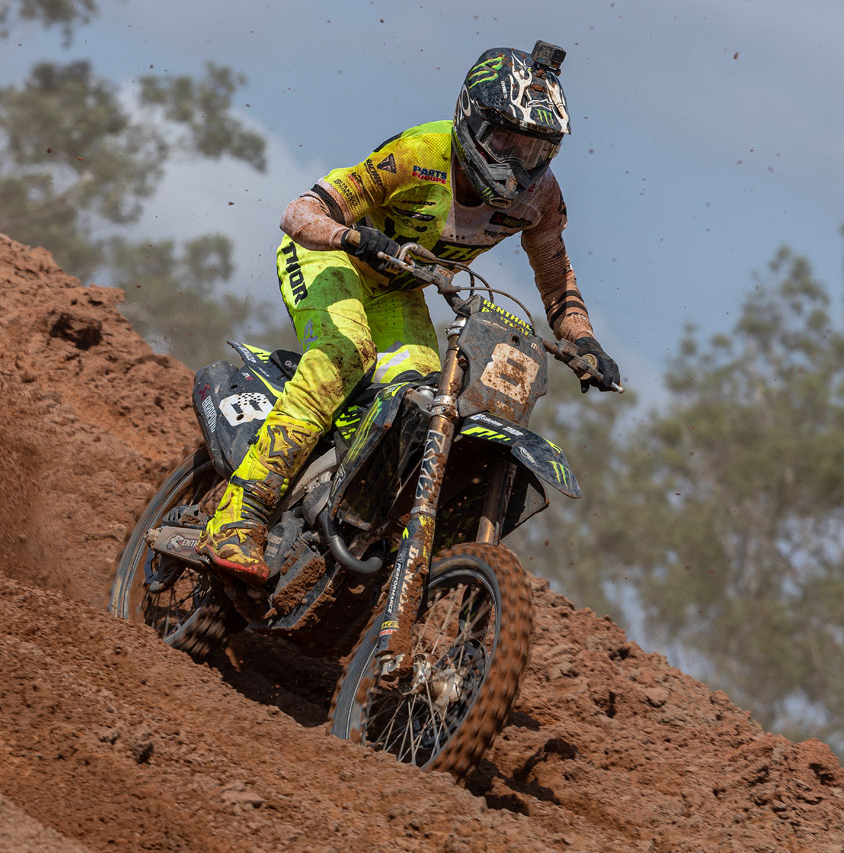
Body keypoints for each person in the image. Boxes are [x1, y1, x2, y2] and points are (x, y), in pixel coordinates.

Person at [197, 41, 620, 586]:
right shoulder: (420, 152)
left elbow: (557, 277)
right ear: (472, 120)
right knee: (342, 356)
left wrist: (585, 342)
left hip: (399, 291)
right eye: (507, 142)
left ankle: (336, 508)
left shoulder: (539, 199)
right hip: (333, 259)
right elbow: (301, 212)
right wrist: (349, 236)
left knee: (419, 399)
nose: (519, 165)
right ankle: (240, 515)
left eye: (536, 151)